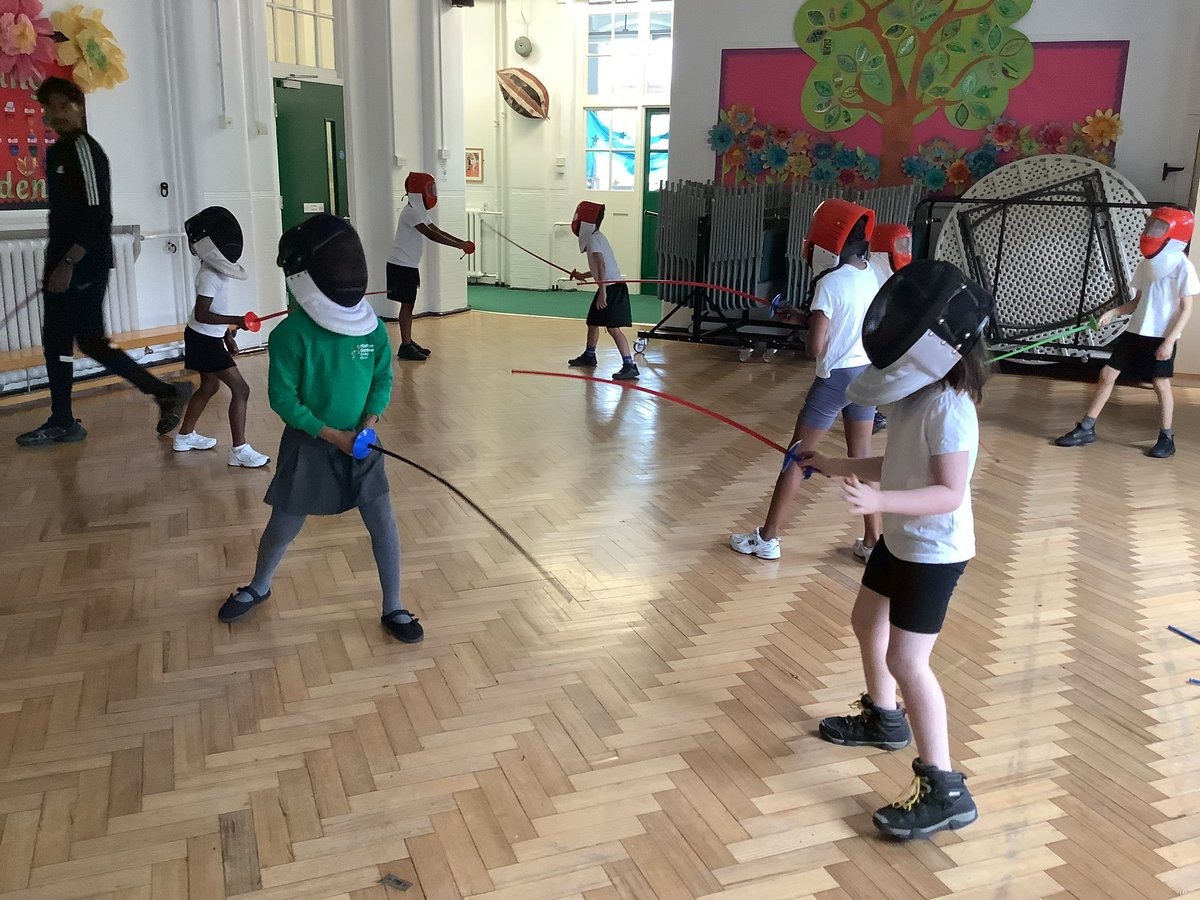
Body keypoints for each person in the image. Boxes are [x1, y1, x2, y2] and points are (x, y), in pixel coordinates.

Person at [801, 259, 991, 840]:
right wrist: (840, 465)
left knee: (908, 660)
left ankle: (945, 787)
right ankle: (885, 719)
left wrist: (877, 500)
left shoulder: (951, 409)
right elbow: (898, 462)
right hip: (902, 540)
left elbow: (946, 492)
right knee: (866, 622)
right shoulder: (913, 399)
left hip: (935, 551)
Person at [217, 214, 422, 644]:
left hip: (362, 442)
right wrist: (333, 436)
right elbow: (284, 400)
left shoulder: (371, 330)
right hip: (310, 445)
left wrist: (367, 426)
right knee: (284, 527)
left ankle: (394, 606)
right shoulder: (291, 335)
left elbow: (382, 380)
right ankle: (259, 584)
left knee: (383, 522)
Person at [16, 76, 192, 448]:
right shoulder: (58, 152)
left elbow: (99, 218)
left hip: (82, 264)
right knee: (75, 341)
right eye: (48, 108)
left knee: (76, 340)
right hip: (63, 263)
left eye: (62, 105)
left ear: (78, 106)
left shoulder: (84, 150)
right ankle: (159, 393)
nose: (54, 114)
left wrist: (67, 264)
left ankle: (69, 419)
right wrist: (55, 264)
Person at [730, 199, 881, 562]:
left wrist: (809, 325)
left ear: (828, 243)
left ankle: (768, 538)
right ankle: (874, 542)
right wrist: (804, 316)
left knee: (797, 457)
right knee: (860, 457)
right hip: (867, 374)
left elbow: (816, 347)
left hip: (834, 381)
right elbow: (850, 323)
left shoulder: (830, 282)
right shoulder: (869, 272)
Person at [1055, 205, 1197, 458]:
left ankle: (1167, 437)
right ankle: (1087, 428)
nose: (1151, 231)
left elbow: (1186, 308)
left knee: (1160, 383)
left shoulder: (1183, 267)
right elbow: (1137, 302)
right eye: (1151, 226)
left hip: (1161, 336)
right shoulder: (1146, 264)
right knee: (1107, 374)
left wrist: (1169, 341)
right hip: (1136, 331)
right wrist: (1113, 313)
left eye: (1159, 227)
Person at [173, 206, 269, 468]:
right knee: (242, 389)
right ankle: (239, 450)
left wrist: (228, 337)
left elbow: (215, 312)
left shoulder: (217, 272)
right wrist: (235, 322)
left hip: (207, 338)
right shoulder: (208, 276)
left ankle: (184, 437)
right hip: (202, 338)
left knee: (210, 386)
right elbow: (203, 314)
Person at [387, 172, 474, 361]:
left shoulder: (419, 212)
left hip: (408, 265)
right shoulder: (411, 212)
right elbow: (430, 234)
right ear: (419, 192)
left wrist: (462, 242)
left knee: (409, 303)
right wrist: (460, 246)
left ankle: (408, 341)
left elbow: (436, 229)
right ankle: (405, 345)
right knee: (407, 305)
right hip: (400, 265)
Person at [567, 201, 639, 381]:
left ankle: (629, 365)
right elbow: (599, 267)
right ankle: (589, 356)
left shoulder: (593, 238)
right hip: (609, 285)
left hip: (612, 287)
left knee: (613, 328)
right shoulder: (596, 237)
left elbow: (601, 264)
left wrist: (603, 291)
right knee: (593, 322)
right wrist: (583, 274)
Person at [866, 224, 913, 435]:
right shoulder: (871, 271)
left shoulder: (891, 272)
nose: (904, 249)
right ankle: (869, 413)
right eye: (900, 244)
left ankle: (869, 412)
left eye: (907, 244)